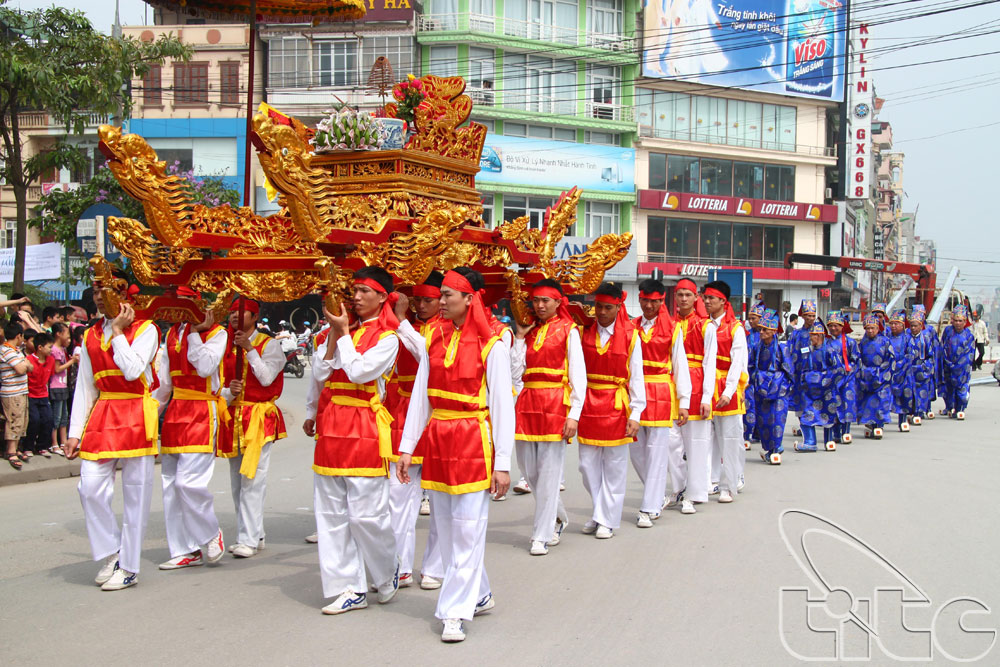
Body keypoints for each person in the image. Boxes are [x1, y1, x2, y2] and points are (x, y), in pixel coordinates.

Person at [396, 267, 513, 643]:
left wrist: (504, 464)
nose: (440, 302)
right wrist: (406, 447)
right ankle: (477, 593)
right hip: (439, 439)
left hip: (473, 439)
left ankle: (454, 612)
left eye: (448, 295)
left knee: (467, 529)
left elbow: (501, 406)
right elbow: (419, 397)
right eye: (441, 295)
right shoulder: (433, 335)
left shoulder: (493, 341)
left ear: (469, 299)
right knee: (446, 529)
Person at [310, 267, 401, 615]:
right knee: (331, 514)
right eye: (354, 290)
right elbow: (320, 373)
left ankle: (385, 568)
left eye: (364, 290)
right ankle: (348, 588)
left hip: (364, 424)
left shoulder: (388, 337)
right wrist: (335, 334)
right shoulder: (338, 331)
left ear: (382, 296)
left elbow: (360, 371)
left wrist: (343, 332)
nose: (357, 296)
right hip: (332, 425)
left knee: (367, 516)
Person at [64, 280, 160, 591]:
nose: (100, 299)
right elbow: (85, 385)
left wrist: (119, 332)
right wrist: (75, 431)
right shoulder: (90, 334)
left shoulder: (147, 329)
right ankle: (111, 553)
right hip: (104, 411)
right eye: (95, 294)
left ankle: (130, 566)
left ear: (123, 296)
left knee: (136, 494)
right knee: (88, 486)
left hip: (135, 410)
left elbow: (132, 371)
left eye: (107, 293)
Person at [151, 286, 227, 571]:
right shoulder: (171, 333)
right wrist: (149, 413)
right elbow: (164, 383)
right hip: (175, 413)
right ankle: (184, 549)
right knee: (170, 485)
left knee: (189, 483)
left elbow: (206, 366)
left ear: (197, 302)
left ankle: (210, 533)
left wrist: (195, 331)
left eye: (186, 301)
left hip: (201, 411)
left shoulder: (217, 332)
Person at [510, 279, 585, 554]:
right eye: (536, 300)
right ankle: (558, 517)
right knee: (530, 472)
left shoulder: (569, 331)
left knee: (550, 473)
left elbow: (579, 376)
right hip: (527, 402)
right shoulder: (527, 332)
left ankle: (540, 536)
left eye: (545, 301)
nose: (539, 305)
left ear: (558, 302)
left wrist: (574, 415)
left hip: (555, 404)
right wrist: (519, 337)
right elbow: (515, 373)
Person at [385, 272, 444, 584]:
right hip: (402, 411)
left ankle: (434, 566)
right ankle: (400, 565)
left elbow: (429, 357)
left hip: (436, 414)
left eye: (428, 300)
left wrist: (400, 321)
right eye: (417, 299)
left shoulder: (447, 331)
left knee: (439, 498)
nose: (421, 305)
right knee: (398, 493)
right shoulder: (400, 327)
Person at [575, 282, 645, 537]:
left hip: (616, 403)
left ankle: (607, 520)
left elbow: (637, 377)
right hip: (588, 402)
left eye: (607, 307)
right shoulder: (582, 332)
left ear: (618, 307)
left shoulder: (631, 335)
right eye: (598, 306)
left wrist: (636, 413)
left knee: (615, 466)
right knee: (586, 465)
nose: (602, 312)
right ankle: (598, 510)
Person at [218, 298, 286, 558]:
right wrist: (226, 391)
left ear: (255, 316)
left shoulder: (270, 345)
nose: (235, 316)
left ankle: (248, 537)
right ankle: (252, 534)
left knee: (253, 479)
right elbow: (214, 381)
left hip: (258, 417)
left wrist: (248, 349)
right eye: (232, 311)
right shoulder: (224, 344)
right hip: (233, 415)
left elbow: (267, 377)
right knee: (237, 481)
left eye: (241, 311)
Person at [630, 278, 689, 527]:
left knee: (657, 451)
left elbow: (680, 364)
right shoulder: (631, 326)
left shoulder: (672, 328)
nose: (649, 306)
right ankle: (654, 493)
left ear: (661, 301)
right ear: (640, 299)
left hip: (661, 391)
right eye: (645, 301)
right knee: (635, 451)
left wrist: (683, 400)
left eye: (654, 302)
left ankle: (650, 506)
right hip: (633, 392)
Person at [670, 278, 716, 515]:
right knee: (671, 443)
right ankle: (680, 488)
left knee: (697, 443)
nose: (684, 299)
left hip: (698, 386)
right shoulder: (668, 324)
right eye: (680, 295)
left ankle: (696, 493)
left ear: (696, 297)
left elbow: (710, 364)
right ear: (675, 297)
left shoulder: (706, 326)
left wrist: (707, 396)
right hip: (671, 387)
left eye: (688, 295)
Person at [702, 281, 748, 503]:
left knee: (730, 437)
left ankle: (729, 484)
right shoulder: (703, 325)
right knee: (708, 437)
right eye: (705, 297)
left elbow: (737, 363)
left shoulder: (735, 328)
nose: (707, 301)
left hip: (726, 386)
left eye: (712, 298)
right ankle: (710, 480)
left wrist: (729, 391)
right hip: (706, 386)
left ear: (724, 301)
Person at [749, 309, 793, 464]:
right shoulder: (757, 347)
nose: (761, 332)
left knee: (777, 420)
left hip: (779, 389)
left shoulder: (782, 348)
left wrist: (784, 385)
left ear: (774, 331)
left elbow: (788, 369)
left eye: (765, 329)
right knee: (764, 420)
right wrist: (756, 378)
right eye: (760, 329)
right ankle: (770, 449)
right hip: (761, 389)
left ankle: (777, 447)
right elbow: (750, 366)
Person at [790, 321, 838, 452]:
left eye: (813, 336)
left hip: (825, 388)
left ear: (820, 336)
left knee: (827, 414)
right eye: (810, 335)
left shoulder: (829, 350)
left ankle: (829, 441)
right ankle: (810, 442)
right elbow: (800, 365)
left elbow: (837, 369)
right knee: (807, 414)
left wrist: (825, 381)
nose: (810, 338)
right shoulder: (807, 350)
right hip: (809, 389)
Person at [856, 313, 893, 439]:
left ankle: (879, 426)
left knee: (881, 402)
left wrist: (880, 373)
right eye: (868, 328)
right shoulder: (863, 342)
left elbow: (890, 360)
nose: (871, 331)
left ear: (878, 328)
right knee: (867, 402)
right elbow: (859, 359)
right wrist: (864, 372)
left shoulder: (885, 341)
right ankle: (871, 425)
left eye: (873, 328)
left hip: (881, 376)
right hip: (866, 376)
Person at [825, 311, 859, 445]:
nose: (834, 328)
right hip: (831, 380)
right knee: (833, 404)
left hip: (847, 380)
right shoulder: (825, 343)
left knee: (847, 404)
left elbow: (856, 360)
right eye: (831, 326)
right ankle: (835, 433)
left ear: (842, 326)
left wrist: (847, 373)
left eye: (837, 326)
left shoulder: (850, 343)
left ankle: (846, 431)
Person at [2, 322, 32, 469]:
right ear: (18, 335)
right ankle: (11, 451)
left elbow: (30, 366)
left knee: (22, 420)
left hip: (21, 391)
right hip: (11, 392)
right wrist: (25, 364)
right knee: (13, 420)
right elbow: (22, 368)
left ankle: (17, 447)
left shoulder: (17, 350)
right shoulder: (6, 350)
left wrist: (25, 365)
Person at [939, 305, 975, 419]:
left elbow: (969, 355)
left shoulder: (969, 336)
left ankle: (960, 408)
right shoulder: (948, 331)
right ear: (952, 320)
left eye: (960, 321)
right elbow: (942, 345)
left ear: (965, 321)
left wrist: (957, 366)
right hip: (947, 365)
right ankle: (950, 407)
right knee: (948, 387)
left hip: (962, 368)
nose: (958, 323)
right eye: (956, 320)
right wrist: (947, 362)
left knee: (961, 388)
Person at [786, 299, 817, 436]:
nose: (810, 318)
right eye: (808, 315)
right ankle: (803, 426)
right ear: (802, 316)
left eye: (812, 315)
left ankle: (811, 429)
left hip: (815, 374)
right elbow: (789, 352)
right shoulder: (796, 334)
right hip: (799, 374)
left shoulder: (819, 333)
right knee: (800, 403)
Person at [25, 332, 55, 458]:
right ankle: (28, 447)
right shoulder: (28, 360)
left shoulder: (51, 360)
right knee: (34, 420)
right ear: (40, 347)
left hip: (43, 395)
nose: (51, 350)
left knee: (48, 420)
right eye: (49, 347)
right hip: (31, 395)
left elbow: (51, 376)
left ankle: (42, 446)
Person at [48, 322, 76, 456]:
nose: (68, 337)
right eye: (67, 334)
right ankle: (54, 443)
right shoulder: (55, 350)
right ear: (58, 334)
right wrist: (72, 362)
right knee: (56, 417)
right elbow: (56, 369)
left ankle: (64, 442)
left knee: (64, 416)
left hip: (63, 386)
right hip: (56, 386)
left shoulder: (62, 350)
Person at [886, 310, 916, 432]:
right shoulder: (886, 339)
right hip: (889, 373)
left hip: (904, 373)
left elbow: (911, 355)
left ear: (903, 325)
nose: (893, 326)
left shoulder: (908, 339)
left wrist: (900, 365)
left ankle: (903, 421)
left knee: (904, 398)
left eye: (896, 323)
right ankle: (880, 422)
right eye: (892, 323)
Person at [742, 301, 766, 448]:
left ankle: (759, 433)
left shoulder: (767, 335)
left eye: (754, 318)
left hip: (763, 376)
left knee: (762, 405)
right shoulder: (747, 335)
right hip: (749, 375)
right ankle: (747, 434)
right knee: (749, 404)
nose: (751, 321)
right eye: (749, 318)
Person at [907, 309, 936, 424]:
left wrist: (925, 368)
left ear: (921, 325)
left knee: (921, 392)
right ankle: (911, 412)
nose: (913, 328)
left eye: (916, 326)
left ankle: (919, 412)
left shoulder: (926, 339)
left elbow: (930, 355)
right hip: (909, 370)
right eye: (911, 326)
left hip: (921, 370)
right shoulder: (906, 338)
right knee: (910, 393)